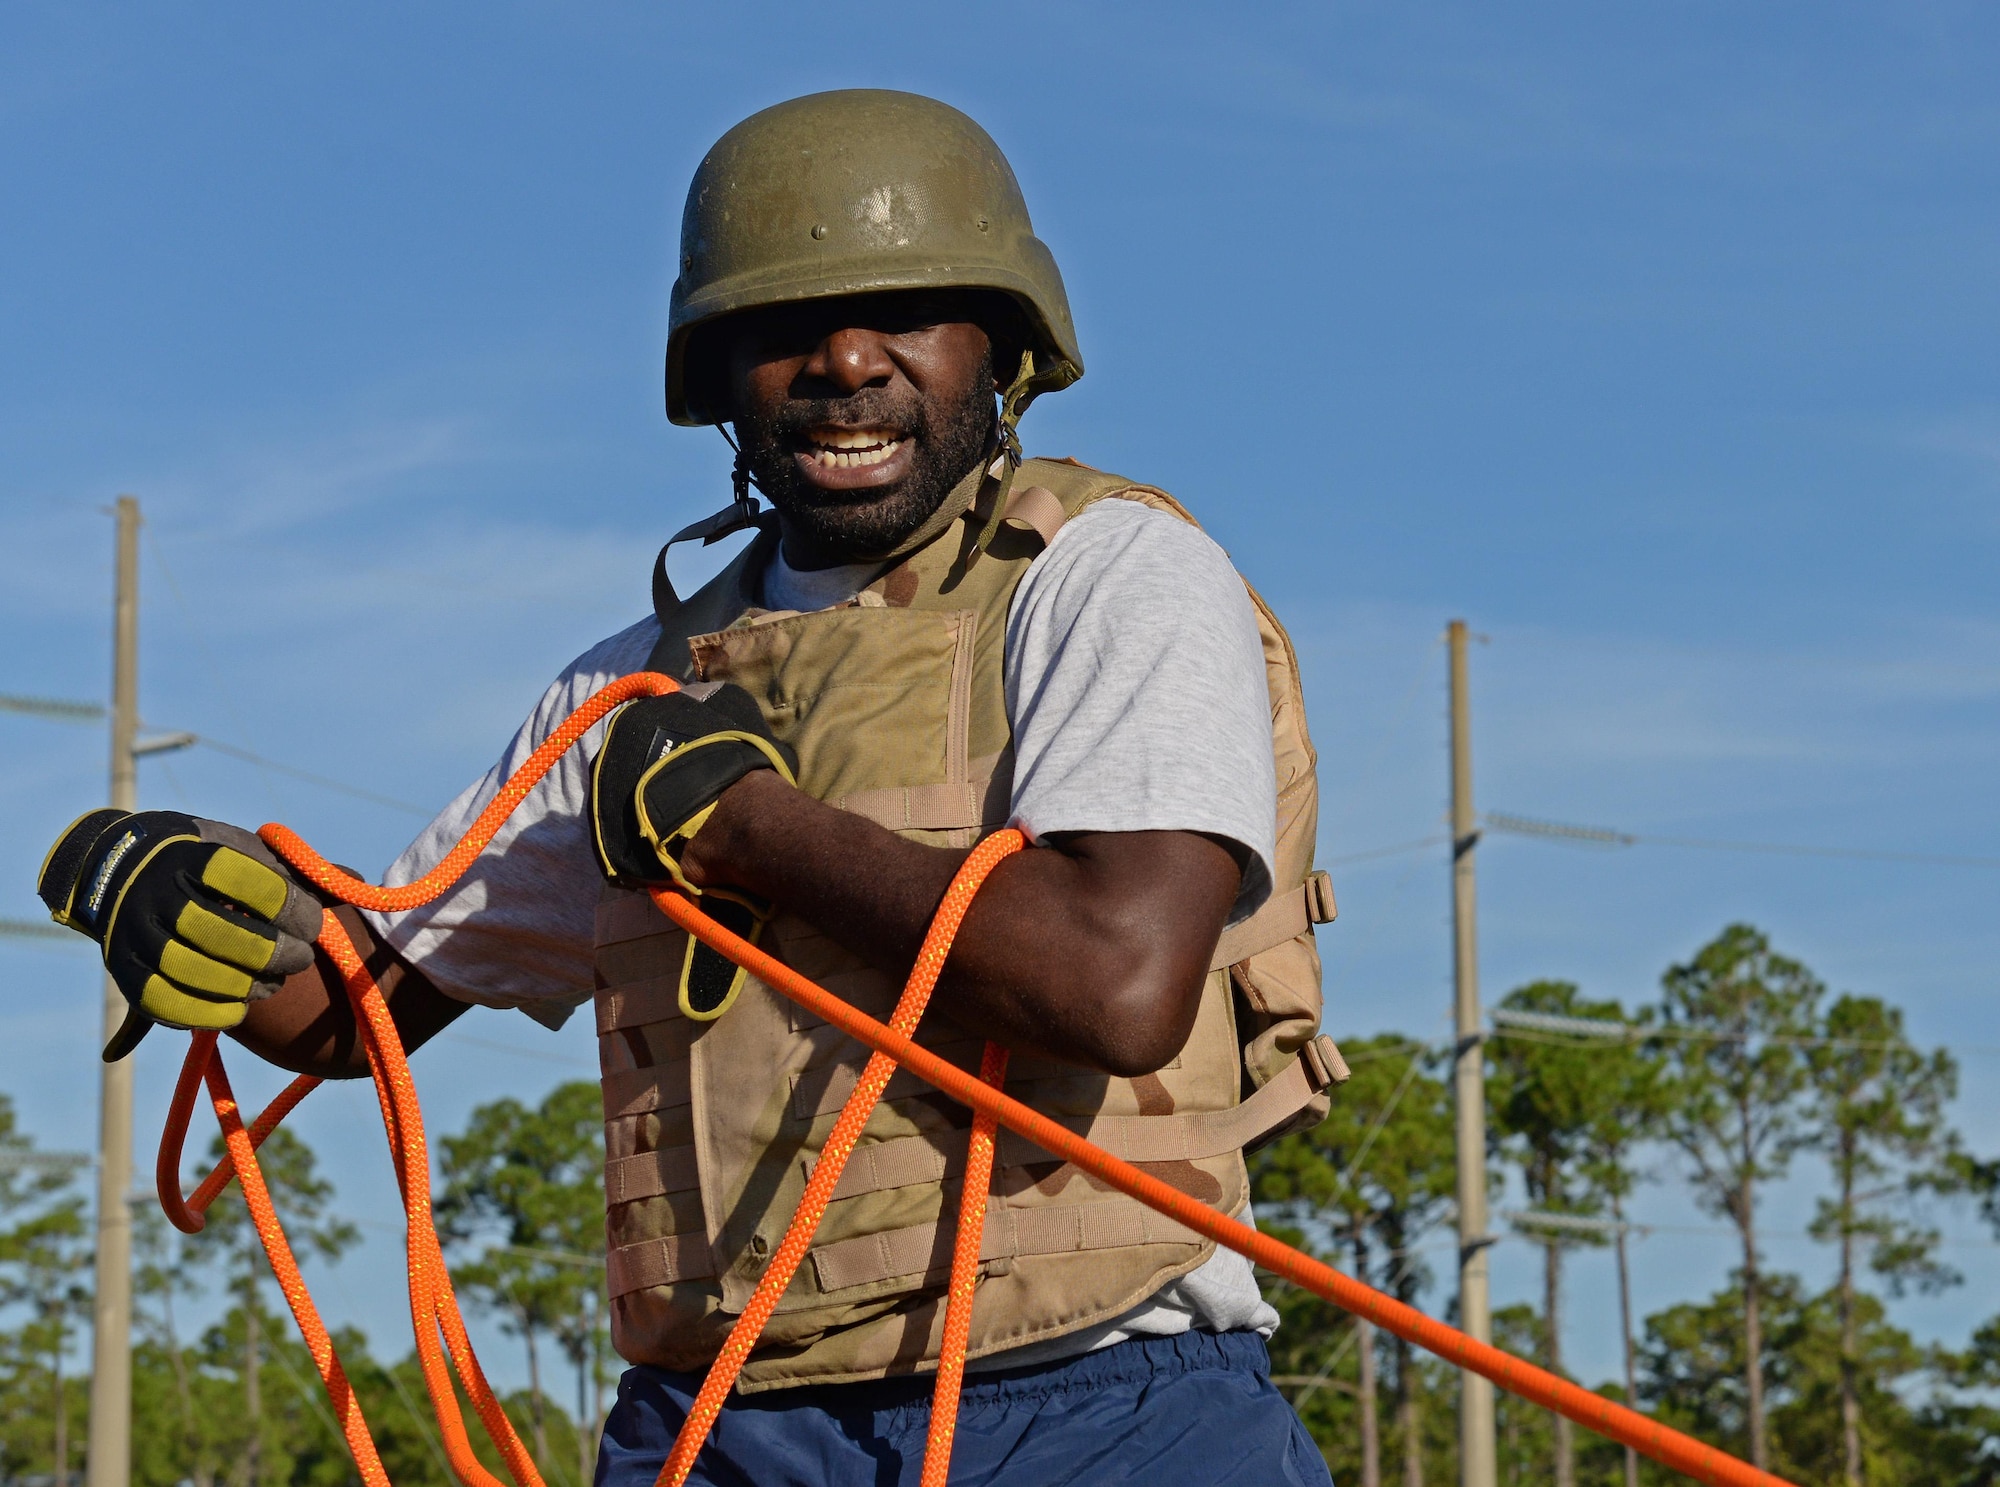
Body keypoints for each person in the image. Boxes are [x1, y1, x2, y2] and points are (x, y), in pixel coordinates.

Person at [38, 89, 1345, 1486]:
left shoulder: (1112, 579)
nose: (846, 359)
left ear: (1006, 348)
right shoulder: (623, 697)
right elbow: (349, 1002)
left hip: (1101, 1404)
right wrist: (198, 898)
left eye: (905, 308)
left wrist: (743, 823)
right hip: (726, 1427)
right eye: (782, 323)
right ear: (714, 374)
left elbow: (1116, 983)